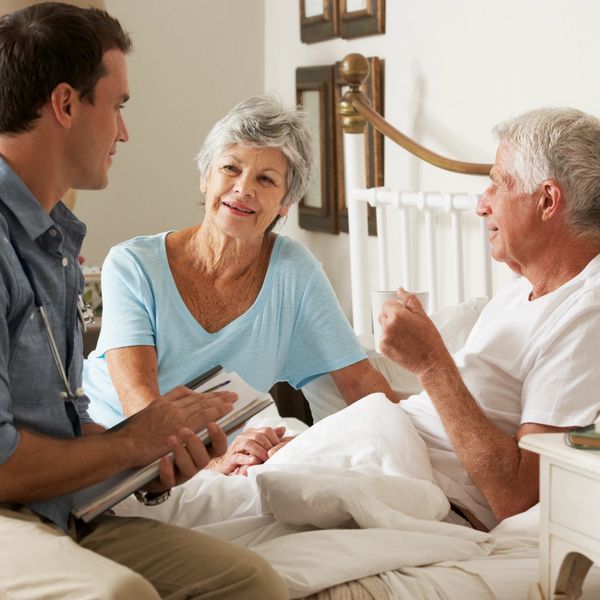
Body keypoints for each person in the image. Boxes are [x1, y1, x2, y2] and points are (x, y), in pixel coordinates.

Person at [0, 3, 287, 598]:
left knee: (251, 581)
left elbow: (62, 421)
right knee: (117, 594)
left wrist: (150, 460)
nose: (124, 132)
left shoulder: (53, 243)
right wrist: (132, 440)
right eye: (119, 106)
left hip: (57, 506)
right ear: (65, 104)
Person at [83, 94, 394, 474]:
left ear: (285, 202)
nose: (244, 188)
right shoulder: (133, 265)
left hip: (221, 459)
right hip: (119, 454)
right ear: (205, 178)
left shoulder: (295, 273)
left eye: (266, 179)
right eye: (230, 168)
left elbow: (361, 384)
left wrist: (421, 453)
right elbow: (141, 408)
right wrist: (215, 463)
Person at [379, 107, 600, 531]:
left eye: (498, 183)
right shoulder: (521, 290)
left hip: (422, 493)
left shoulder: (586, 316)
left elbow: (519, 498)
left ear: (548, 201)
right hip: (382, 452)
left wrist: (430, 363)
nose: (481, 205)